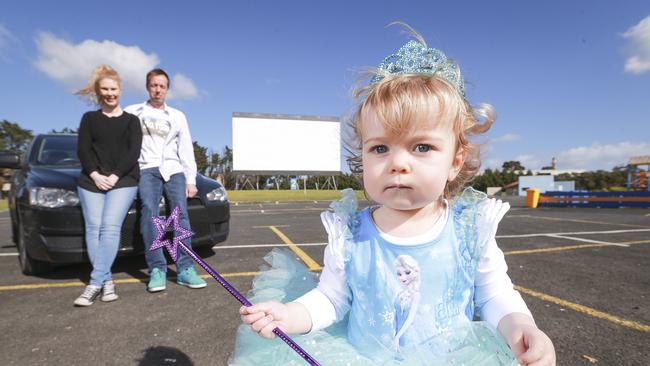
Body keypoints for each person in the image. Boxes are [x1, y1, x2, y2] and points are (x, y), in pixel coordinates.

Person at [232, 32, 556, 365]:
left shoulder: (469, 229)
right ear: (362, 156)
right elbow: (331, 298)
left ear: (454, 163)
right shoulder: (351, 233)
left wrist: (522, 325)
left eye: (422, 147)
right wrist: (290, 315)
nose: (398, 163)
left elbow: (493, 295)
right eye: (380, 148)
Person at [125, 69, 206, 292]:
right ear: (147, 87)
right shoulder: (133, 112)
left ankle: (185, 269)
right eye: (154, 85)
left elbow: (186, 148)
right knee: (149, 213)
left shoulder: (178, 116)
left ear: (167, 89)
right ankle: (157, 269)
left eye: (162, 86)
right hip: (146, 168)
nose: (157, 89)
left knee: (180, 215)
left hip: (174, 170)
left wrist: (191, 179)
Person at [74, 65, 143, 306]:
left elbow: (132, 152)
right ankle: (107, 281)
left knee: (110, 228)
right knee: (94, 229)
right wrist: (95, 174)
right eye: (105, 89)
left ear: (120, 90)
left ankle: (94, 283)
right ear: (98, 91)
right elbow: (83, 149)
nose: (110, 93)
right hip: (91, 181)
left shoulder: (132, 121)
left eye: (114, 89)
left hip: (122, 180)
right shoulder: (89, 119)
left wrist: (113, 176)